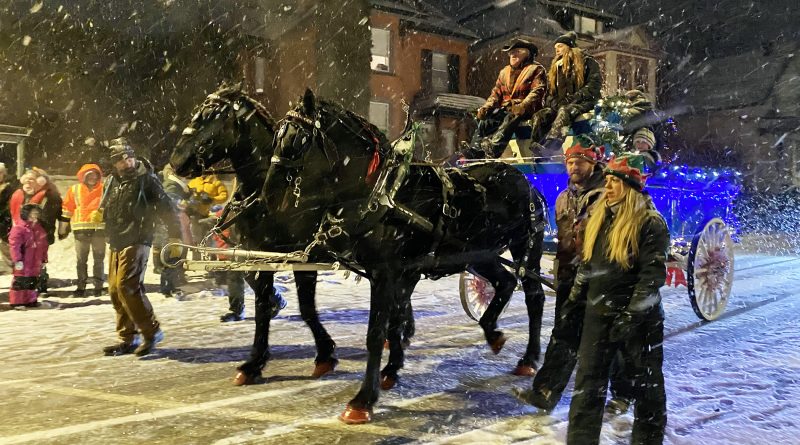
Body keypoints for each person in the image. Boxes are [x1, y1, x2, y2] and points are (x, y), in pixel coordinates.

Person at [514, 138, 633, 413]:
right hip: (570, 279)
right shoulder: (563, 199)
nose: (573, 167)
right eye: (569, 162)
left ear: (593, 163)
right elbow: (565, 242)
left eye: (579, 161)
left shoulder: (609, 195)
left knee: (607, 339)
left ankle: (623, 395)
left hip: (603, 279)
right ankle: (545, 392)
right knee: (563, 335)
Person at [566, 152, 668, 444]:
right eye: (607, 179)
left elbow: (651, 278)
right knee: (587, 389)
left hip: (639, 322)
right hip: (598, 316)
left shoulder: (650, 223)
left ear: (630, 186)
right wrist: (575, 298)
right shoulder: (599, 217)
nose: (608, 186)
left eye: (615, 181)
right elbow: (589, 266)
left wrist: (630, 316)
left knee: (647, 390)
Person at [100, 138, 184, 357]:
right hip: (117, 239)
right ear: (114, 163)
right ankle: (127, 337)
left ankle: (151, 331)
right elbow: (108, 206)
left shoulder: (146, 180)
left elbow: (167, 208)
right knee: (115, 290)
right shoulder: (112, 182)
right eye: (121, 159)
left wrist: (175, 237)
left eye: (129, 157)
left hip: (138, 237)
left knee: (127, 286)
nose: (126, 162)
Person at [473, 38, 547, 158]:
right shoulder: (504, 72)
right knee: (486, 120)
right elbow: (496, 93)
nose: (512, 54)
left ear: (528, 53)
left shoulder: (536, 69)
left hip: (528, 110)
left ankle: (495, 147)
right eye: (511, 52)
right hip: (507, 108)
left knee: (512, 117)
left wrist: (522, 105)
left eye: (517, 51)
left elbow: (537, 91)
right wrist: (486, 108)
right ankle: (475, 149)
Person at [530, 31, 602, 153]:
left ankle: (550, 147)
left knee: (565, 111)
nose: (557, 49)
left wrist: (572, 99)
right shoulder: (555, 67)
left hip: (584, 102)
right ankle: (536, 146)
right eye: (555, 47)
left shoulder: (587, 62)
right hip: (563, 103)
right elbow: (549, 93)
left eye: (560, 46)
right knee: (541, 115)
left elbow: (593, 85)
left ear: (570, 46)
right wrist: (553, 103)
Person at [9, 168, 67, 295]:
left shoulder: (50, 196)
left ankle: (40, 284)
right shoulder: (18, 195)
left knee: (39, 260)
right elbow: (14, 214)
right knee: (22, 260)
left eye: (32, 180)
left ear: (40, 182)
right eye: (27, 180)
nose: (28, 183)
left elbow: (49, 216)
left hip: (40, 235)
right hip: (21, 234)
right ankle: (24, 286)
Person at [61, 164, 106, 297]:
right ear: (84, 177)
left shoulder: (104, 189)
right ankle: (81, 287)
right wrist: (63, 227)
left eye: (95, 175)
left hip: (99, 230)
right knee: (81, 260)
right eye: (89, 175)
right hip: (80, 230)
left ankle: (98, 287)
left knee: (99, 259)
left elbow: (110, 207)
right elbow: (68, 208)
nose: (92, 178)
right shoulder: (74, 189)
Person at [155, 164, 193, 297]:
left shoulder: (176, 184)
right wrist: (183, 203)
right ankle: (167, 287)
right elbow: (171, 203)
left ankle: (171, 285)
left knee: (174, 256)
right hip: (171, 228)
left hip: (173, 226)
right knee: (172, 257)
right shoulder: (172, 184)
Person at [8, 204, 49, 308]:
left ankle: (31, 300)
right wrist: (17, 259)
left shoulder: (39, 228)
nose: (35, 215)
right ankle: (17, 302)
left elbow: (43, 245)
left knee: (32, 281)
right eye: (33, 213)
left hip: (35, 261)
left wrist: (44, 258)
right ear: (26, 214)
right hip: (23, 260)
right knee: (20, 281)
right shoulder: (19, 228)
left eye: (37, 213)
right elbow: (14, 245)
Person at [187, 173, 228, 247]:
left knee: (210, 234)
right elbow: (186, 194)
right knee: (194, 233)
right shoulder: (193, 182)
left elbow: (224, 196)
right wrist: (191, 198)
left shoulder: (216, 182)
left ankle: (211, 251)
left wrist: (212, 199)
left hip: (209, 212)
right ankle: (196, 250)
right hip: (194, 212)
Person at [0, 162, 15, 274]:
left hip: (4, 221)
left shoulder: (9, 188)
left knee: (6, 246)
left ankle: (15, 269)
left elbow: (10, 206)